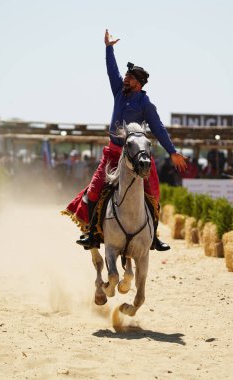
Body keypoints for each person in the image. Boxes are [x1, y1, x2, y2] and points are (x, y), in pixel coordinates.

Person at [76, 29, 187, 250]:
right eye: (126, 76)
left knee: (153, 192)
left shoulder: (146, 104)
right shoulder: (119, 92)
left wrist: (172, 151)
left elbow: (159, 128)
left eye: (130, 77)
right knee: (93, 192)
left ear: (139, 82)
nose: (125, 78)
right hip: (112, 154)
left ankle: (153, 237)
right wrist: (109, 48)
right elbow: (111, 71)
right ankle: (92, 234)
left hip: (138, 157)